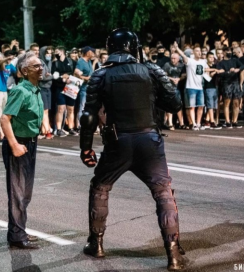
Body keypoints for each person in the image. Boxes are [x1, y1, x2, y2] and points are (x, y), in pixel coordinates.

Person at [79, 28, 186, 271]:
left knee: (100, 186)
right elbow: (175, 104)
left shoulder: (100, 74)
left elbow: (88, 116)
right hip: (149, 139)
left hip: (118, 141)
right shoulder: (151, 69)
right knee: (163, 192)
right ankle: (173, 253)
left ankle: (96, 243)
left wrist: (85, 148)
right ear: (134, 47)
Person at [0, 51, 44, 250]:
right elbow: (4, 119)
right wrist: (14, 145)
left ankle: (19, 230)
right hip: (18, 143)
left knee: (25, 192)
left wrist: (43, 125)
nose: (41, 68)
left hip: (31, 143)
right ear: (25, 71)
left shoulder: (35, 89)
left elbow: (36, 112)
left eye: (41, 65)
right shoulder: (20, 90)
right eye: (36, 66)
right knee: (18, 191)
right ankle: (17, 236)